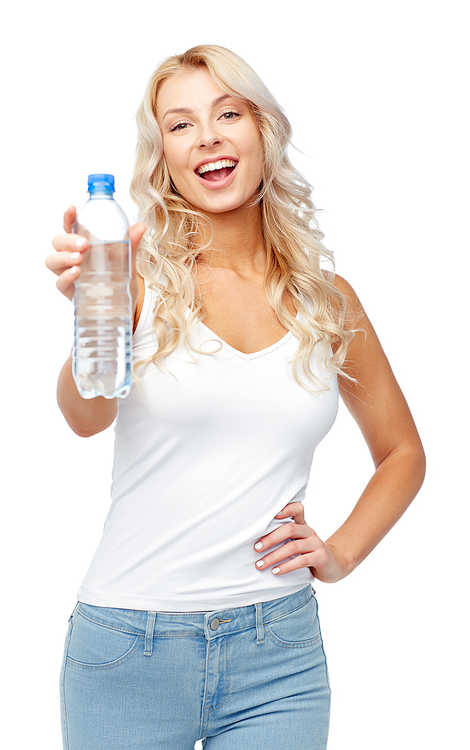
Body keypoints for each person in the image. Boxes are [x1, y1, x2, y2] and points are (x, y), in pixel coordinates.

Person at [46, 45, 425, 750]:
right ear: (164, 157)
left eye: (228, 113)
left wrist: (339, 553)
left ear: (262, 133)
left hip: (278, 655)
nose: (209, 136)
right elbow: (84, 417)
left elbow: (402, 452)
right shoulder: (136, 281)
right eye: (181, 124)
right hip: (129, 651)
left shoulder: (327, 300)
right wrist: (102, 318)